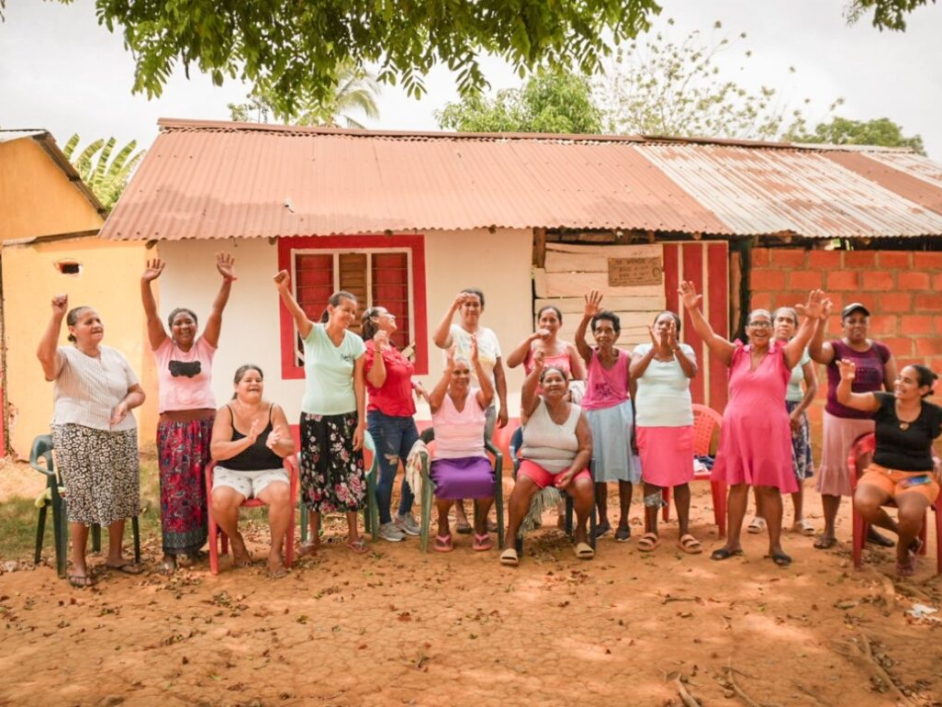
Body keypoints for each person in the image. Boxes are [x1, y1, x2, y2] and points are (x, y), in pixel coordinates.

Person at [679, 281, 826, 566]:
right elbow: (708, 336)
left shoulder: (783, 355)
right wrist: (693, 310)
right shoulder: (735, 355)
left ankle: (775, 546)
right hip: (737, 431)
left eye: (765, 324)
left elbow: (802, 340)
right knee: (737, 485)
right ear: (746, 329)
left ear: (771, 329)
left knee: (768, 487)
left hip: (771, 431)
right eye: (755, 324)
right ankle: (732, 543)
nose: (760, 328)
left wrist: (811, 319)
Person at [37, 295, 146, 587]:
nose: (96, 324)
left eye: (98, 320)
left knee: (120, 493)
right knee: (82, 496)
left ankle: (115, 556)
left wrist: (124, 404)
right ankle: (79, 563)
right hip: (78, 433)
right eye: (88, 321)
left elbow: (138, 392)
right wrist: (56, 316)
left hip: (120, 433)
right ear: (73, 330)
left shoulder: (115, 355)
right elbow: (45, 360)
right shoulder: (65, 356)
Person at [141, 253, 236, 574]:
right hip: (173, 431)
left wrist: (226, 281)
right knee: (174, 490)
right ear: (170, 330)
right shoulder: (163, 349)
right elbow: (151, 315)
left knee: (204, 487)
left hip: (207, 427)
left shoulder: (205, 347)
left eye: (189, 321)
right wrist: (145, 284)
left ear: (195, 328)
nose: (184, 326)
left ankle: (197, 547)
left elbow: (217, 313)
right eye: (178, 322)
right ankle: (171, 551)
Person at [274, 272, 369, 554]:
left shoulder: (356, 343)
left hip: (346, 417)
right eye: (346, 310)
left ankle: (353, 535)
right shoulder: (313, 334)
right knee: (315, 473)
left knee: (349, 473)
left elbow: (359, 383)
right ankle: (313, 536)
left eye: (354, 312)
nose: (350, 316)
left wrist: (360, 423)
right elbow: (297, 313)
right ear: (331, 309)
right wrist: (284, 290)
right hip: (313, 418)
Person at [808, 301, 897, 550]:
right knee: (834, 472)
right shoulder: (835, 348)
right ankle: (829, 530)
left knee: (868, 478)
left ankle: (868, 529)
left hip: (871, 424)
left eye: (862, 321)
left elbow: (892, 389)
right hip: (839, 422)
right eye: (851, 320)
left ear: (868, 324)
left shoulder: (881, 351)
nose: (857, 325)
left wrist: (891, 421)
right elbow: (815, 353)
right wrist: (820, 322)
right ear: (842, 325)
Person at [841, 362, 942, 576]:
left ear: (923, 389)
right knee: (864, 503)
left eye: (907, 381)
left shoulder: (933, 414)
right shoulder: (883, 402)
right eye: (899, 378)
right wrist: (846, 380)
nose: (898, 383)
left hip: (918, 476)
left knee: (910, 513)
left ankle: (903, 550)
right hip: (881, 472)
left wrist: (939, 461)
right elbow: (846, 399)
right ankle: (905, 536)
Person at [500, 351, 594, 566]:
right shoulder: (533, 405)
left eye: (558, 380)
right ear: (541, 386)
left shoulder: (577, 412)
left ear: (567, 385)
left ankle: (581, 534)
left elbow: (586, 448)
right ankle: (511, 539)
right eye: (548, 380)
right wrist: (536, 369)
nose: (553, 384)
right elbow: (526, 392)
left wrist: (572, 472)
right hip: (536, 463)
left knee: (585, 485)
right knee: (523, 484)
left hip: (568, 465)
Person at [432, 288, 508, 533]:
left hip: (485, 404)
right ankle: (460, 513)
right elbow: (437, 340)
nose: (472, 309)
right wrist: (452, 306)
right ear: (461, 309)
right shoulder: (453, 332)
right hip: (456, 404)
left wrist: (504, 404)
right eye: (467, 305)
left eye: (476, 304)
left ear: (482, 308)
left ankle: (481, 516)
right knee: (457, 454)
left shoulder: (490, 335)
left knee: (479, 454)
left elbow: (498, 372)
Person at [209, 365, 296, 577]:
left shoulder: (274, 410)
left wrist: (275, 444)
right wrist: (248, 441)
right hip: (232, 472)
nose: (254, 383)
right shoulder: (226, 412)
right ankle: (236, 541)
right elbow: (217, 451)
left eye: (258, 380)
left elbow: (289, 448)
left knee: (281, 493)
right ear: (236, 386)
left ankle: (275, 553)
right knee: (220, 499)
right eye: (248, 380)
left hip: (269, 471)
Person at [629, 310, 701, 554]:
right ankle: (651, 530)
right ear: (654, 326)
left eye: (671, 325)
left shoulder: (686, 350)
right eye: (661, 323)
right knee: (651, 480)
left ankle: (684, 532)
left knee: (681, 479)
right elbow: (633, 373)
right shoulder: (642, 350)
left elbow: (692, 372)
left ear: (677, 330)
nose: (665, 328)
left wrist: (675, 347)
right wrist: (654, 349)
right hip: (649, 424)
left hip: (679, 424)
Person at [575, 290, 642, 541]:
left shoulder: (627, 358)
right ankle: (602, 520)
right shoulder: (590, 355)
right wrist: (586, 317)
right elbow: (578, 340)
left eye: (608, 330)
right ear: (594, 334)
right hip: (593, 418)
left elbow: (634, 395)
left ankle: (624, 522)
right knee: (598, 472)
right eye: (598, 330)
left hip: (619, 418)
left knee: (624, 471)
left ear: (617, 334)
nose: (603, 334)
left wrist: (635, 429)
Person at [747, 307, 818, 538]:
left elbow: (813, 386)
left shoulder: (800, 351)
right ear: (772, 324)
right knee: (762, 464)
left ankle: (799, 517)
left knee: (796, 466)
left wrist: (797, 412)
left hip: (793, 413)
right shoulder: (761, 349)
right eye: (780, 319)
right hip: (765, 412)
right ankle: (760, 515)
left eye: (789, 321)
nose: (784, 324)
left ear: (796, 327)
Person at [361, 306, 429, 542]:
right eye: (386, 314)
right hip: (384, 418)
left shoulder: (394, 348)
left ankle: (403, 515)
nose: (393, 316)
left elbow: (400, 375)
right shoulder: (369, 348)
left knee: (415, 465)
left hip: (405, 417)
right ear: (374, 320)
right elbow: (378, 381)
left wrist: (414, 384)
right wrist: (379, 350)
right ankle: (384, 522)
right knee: (388, 472)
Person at [427, 339, 496, 552]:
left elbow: (490, 395)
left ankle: (481, 527)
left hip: (475, 457)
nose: (462, 376)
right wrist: (449, 369)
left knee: (487, 482)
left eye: (466, 372)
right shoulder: (441, 396)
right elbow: (433, 403)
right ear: (449, 375)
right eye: (457, 372)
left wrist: (476, 363)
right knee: (447, 482)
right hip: (445, 459)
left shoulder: (477, 395)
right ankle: (443, 526)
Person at [506, 305, 586, 382]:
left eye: (552, 320)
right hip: (533, 392)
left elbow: (580, 380)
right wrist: (531, 338)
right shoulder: (529, 345)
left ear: (560, 324)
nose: (548, 324)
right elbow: (511, 363)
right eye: (544, 320)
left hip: (562, 392)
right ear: (538, 322)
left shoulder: (568, 348)